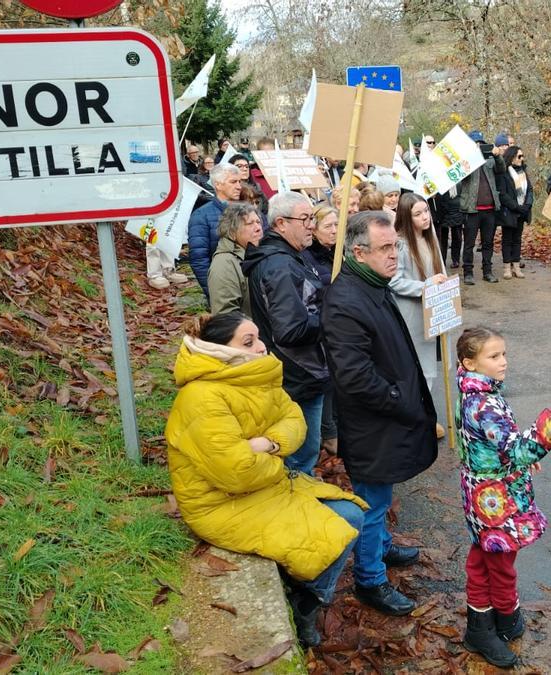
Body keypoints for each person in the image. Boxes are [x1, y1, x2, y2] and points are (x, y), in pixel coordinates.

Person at [163, 312, 367, 649]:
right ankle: (307, 604)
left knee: (352, 515)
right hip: (221, 504)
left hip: (264, 486)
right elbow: (237, 472)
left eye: (257, 338)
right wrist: (277, 459)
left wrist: (269, 445)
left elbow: (294, 420)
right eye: (248, 342)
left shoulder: (253, 377)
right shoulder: (201, 398)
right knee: (341, 526)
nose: (261, 347)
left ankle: (308, 594)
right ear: (220, 349)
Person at [322, 211, 438, 617]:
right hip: (373, 424)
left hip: (385, 417)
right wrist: (399, 401)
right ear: (358, 252)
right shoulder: (345, 301)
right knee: (371, 503)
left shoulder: (372, 284)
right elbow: (354, 377)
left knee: (381, 495)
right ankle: (370, 579)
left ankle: (382, 549)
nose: (394, 256)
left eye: (395, 247)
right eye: (386, 249)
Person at [453, 326, 551, 668]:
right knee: (500, 560)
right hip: (494, 499)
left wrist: (513, 459)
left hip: (483, 491)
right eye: (494, 356)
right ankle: (491, 622)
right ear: (470, 362)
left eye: (504, 353)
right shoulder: (485, 404)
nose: (504, 361)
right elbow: (518, 449)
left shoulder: (475, 392)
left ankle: (499, 621)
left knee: (486, 555)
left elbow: (491, 447)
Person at [242, 192, 328, 475]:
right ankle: (299, 506)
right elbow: (290, 329)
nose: (311, 225)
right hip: (298, 374)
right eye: (305, 219)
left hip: (298, 372)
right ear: (280, 223)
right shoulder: (279, 266)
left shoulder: (289, 257)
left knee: (301, 452)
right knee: (300, 456)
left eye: (313, 218)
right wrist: (331, 319)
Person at [389, 193, 449, 436]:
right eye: (418, 213)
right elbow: (395, 281)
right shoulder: (401, 244)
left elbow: (439, 271)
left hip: (434, 310)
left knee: (432, 366)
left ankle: (424, 415)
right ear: (406, 216)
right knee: (418, 369)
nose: (425, 217)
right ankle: (416, 419)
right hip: (412, 313)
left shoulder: (430, 238)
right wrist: (426, 287)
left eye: (426, 211)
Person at [301, 204, 340, 454]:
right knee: (326, 381)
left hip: (338, 322)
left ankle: (336, 424)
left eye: (338, 225)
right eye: (329, 226)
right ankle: (328, 432)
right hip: (321, 323)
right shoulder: (308, 257)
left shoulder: (338, 252)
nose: (335, 231)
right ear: (315, 230)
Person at [188, 162, 242, 299]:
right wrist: (214, 292)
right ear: (218, 184)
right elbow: (199, 259)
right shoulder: (201, 216)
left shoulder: (248, 211)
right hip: (223, 289)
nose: (239, 186)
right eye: (233, 182)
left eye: (240, 182)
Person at [459, 131, 502, 285]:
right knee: (469, 244)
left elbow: (501, 169)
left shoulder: (489, 160)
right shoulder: (465, 162)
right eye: (476, 143)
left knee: (488, 243)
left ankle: (487, 271)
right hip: (472, 211)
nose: (479, 146)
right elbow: (460, 177)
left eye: (481, 143)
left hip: (489, 209)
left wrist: (497, 155)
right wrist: (471, 157)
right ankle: (468, 273)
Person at [208, 202, 264, 315]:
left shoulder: (256, 254)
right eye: (250, 224)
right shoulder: (224, 264)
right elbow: (226, 316)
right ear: (232, 232)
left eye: (258, 222)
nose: (258, 228)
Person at [497, 146, 532, 280]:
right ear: (512, 157)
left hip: (522, 212)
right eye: (519, 156)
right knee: (507, 240)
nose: (522, 159)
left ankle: (516, 266)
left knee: (517, 240)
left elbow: (530, 190)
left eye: (522, 156)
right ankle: (507, 267)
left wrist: (527, 205)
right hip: (510, 211)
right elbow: (503, 194)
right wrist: (516, 207)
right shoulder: (505, 173)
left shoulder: (524, 172)